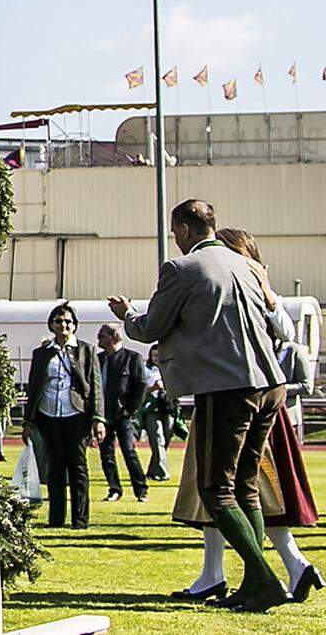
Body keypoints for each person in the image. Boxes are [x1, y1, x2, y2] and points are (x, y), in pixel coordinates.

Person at [109, 200, 290, 612]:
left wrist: (127, 314)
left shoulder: (182, 269)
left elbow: (151, 328)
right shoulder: (247, 265)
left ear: (186, 230)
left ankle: (263, 579)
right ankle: (253, 582)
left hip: (227, 388)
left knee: (215, 489)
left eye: (175, 231)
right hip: (269, 384)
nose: (175, 238)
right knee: (244, 486)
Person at [167, 227, 321, 606]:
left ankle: (280, 567)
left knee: (236, 490)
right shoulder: (227, 282)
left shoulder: (251, 285)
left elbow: (286, 333)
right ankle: (220, 573)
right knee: (226, 490)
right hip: (238, 395)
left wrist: (269, 296)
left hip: (242, 397)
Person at [22, 302, 106, 529]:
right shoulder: (42, 353)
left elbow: (96, 387)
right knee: (54, 467)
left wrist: (98, 419)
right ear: (51, 324)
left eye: (68, 321)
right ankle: (56, 518)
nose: (63, 325)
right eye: (58, 321)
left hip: (76, 414)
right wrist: (28, 421)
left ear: (75, 325)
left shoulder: (86, 350)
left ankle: (80, 520)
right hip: (49, 414)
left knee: (78, 467)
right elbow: (34, 387)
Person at [95, 323, 148, 503]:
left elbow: (141, 385)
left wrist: (130, 409)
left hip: (123, 415)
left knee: (129, 451)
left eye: (102, 336)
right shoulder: (98, 359)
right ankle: (114, 489)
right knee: (106, 455)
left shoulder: (132, 358)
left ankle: (141, 490)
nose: (98, 340)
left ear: (113, 337)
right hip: (103, 415)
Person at [139, 345, 175, 481]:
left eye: (158, 355)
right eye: (154, 356)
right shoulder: (146, 371)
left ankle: (152, 470)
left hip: (168, 407)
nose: (156, 358)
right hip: (152, 408)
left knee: (166, 438)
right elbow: (141, 390)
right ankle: (162, 472)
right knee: (157, 438)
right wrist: (153, 387)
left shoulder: (170, 369)